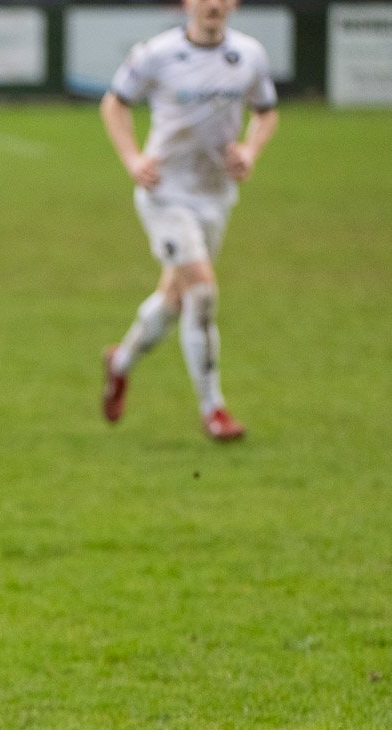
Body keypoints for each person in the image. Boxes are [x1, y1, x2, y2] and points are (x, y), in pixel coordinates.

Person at [99, 0, 279, 441]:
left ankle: (120, 363)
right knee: (202, 290)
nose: (213, 4)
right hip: (166, 193)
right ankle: (213, 409)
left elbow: (266, 110)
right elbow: (114, 104)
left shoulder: (250, 54)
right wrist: (132, 158)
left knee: (175, 298)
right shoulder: (156, 53)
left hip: (215, 196)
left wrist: (251, 151)